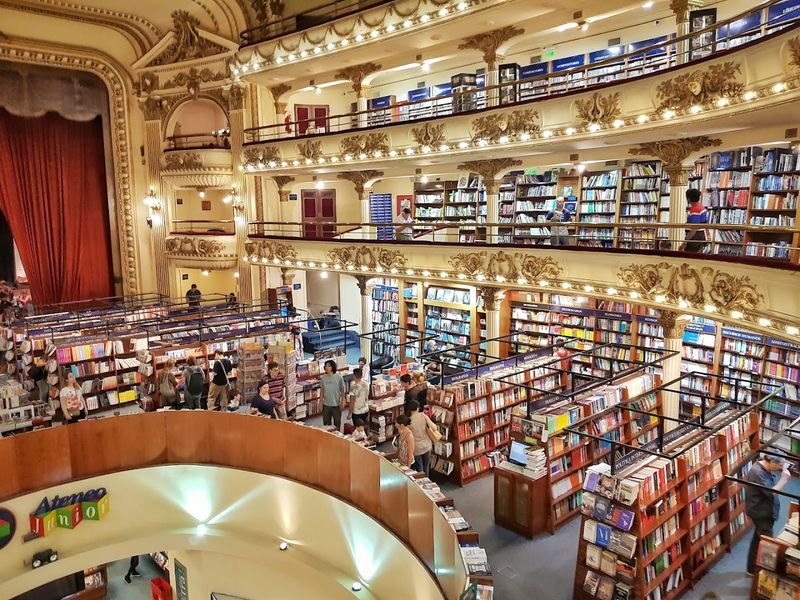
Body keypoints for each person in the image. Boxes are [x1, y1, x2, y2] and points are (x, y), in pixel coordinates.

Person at [745, 454, 791, 575]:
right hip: (761, 514)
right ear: (771, 461)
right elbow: (771, 493)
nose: (781, 468)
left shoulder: (765, 468)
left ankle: (751, 569)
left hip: (764, 510)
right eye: (780, 465)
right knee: (768, 546)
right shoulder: (757, 473)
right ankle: (765, 576)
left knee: (758, 539)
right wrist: (783, 480)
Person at [407, 400, 437, 476]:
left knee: (419, 469)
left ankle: (421, 485)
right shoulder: (423, 416)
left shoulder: (409, 422)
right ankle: (428, 484)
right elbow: (434, 428)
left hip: (416, 448)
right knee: (426, 466)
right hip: (427, 445)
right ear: (417, 408)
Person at [320, 359, 346, 429]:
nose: (326, 367)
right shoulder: (323, 378)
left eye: (328, 366)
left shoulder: (339, 377)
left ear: (332, 367)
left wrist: (343, 400)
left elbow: (342, 390)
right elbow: (322, 391)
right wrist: (320, 402)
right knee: (326, 425)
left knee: (337, 424)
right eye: (325, 366)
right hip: (326, 405)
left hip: (336, 405)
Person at [682, 188, 709, 253]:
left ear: (688, 199)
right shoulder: (701, 207)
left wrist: (685, 241)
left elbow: (694, 228)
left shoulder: (695, 210)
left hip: (695, 237)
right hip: (701, 235)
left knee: (689, 256)